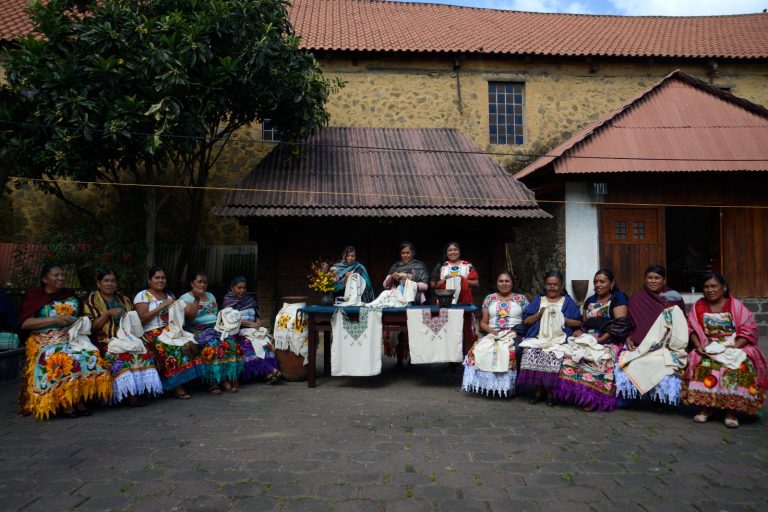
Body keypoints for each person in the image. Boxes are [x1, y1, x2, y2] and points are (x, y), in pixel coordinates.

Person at [18, 263, 111, 419]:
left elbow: (81, 317)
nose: (61, 278)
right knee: (60, 357)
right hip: (44, 339)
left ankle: (79, 399)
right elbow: (25, 323)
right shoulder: (35, 296)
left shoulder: (69, 295)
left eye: (62, 275)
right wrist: (54, 319)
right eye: (56, 275)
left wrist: (78, 321)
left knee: (89, 354)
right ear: (44, 279)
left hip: (71, 336)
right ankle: (66, 403)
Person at [683, 272, 767, 428]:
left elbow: (749, 329)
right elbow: (690, 329)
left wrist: (734, 347)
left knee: (738, 367)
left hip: (734, 344)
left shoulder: (735, 305)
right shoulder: (699, 306)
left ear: (724, 287)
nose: (710, 290)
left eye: (714, 286)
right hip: (708, 345)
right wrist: (698, 346)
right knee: (706, 366)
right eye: (706, 287)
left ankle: (732, 411)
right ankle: (706, 407)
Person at [554, 269, 630, 412]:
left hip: (609, 339)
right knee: (569, 356)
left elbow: (621, 324)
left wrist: (602, 339)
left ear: (612, 283)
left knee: (600, 359)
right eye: (596, 282)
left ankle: (594, 399)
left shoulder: (618, 298)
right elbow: (585, 323)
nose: (598, 285)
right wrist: (580, 331)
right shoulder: (590, 300)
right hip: (588, 338)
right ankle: (576, 396)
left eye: (602, 281)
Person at [84, 269, 162, 405]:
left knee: (146, 351)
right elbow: (91, 327)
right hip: (106, 339)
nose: (110, 284)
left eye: (113, 281)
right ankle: (129, 394)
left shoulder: (123, 299)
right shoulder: (91, 300)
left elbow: (134, 320)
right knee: (121, 358)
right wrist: (107, 314)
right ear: (98, 283)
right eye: (106, 281)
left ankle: (142, 389)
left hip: (128, 336)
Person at [615, 265, 687, 406]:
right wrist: (628, 337)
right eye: (649, 278)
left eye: (657, 278)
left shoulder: (674, 298)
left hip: (666, 345)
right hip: (640, 344)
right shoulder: (637, 298)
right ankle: (633, 396)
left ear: (664, 280)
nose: (653, 281)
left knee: (661, 363)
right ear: (645, 279)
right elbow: (630, 322)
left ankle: (659, 400)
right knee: (629, 361)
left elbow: (681, 324)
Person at [134, 266, 201, 399]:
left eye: (163, 278)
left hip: (171, 329)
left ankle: (187, 380)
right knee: (172, 348)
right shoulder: (143, 295)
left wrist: (196, 300)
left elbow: (187, 317)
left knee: (191, 342)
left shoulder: (169, 295)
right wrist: (162, 306)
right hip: (151, 332)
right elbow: (141, 319)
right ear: (149, 280)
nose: (160, 280)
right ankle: (176, 386)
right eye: (157, 278)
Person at [517, 270, 581, 406]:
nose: (552, 287)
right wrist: (539, 315)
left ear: (561, 285)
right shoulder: (539, 300)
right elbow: (526, 321)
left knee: (553, 354)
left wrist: (560, 317)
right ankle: (539, 390)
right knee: (531, 351)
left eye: (556, 285)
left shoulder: (568, 302)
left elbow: (578, 323)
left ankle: (551, 392)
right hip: (539, 336)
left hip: (560, 338)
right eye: (549, 284)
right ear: (545, 285)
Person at [462, 271, 528, 396]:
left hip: (514, 333)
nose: (504, 284)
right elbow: (483, 322)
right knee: (478, 349)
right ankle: (486, 385)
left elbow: (527, 321)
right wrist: (491, 331)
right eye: (501, 281)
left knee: (514, 350)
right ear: (497, 283)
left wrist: (516, 331)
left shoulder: (521, 299)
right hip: (493, 333)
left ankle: (512, 385)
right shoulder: (489, 298)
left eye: (507, 281)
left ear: (512, 283)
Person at [180, 272, 243, 394]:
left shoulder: (210, 295)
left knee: (229, 343)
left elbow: (215, 313)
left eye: (205, 282)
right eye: (199, 282)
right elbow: (190, 318)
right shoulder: (185, 298)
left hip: (216, 328)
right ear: (192, 283)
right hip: (197, 329)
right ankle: (213, 382)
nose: (202, 284)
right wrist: (196, 299)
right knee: (213, 345)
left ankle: (224, 379)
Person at [221, 275, 281, 384]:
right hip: (237, 332)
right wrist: (250, 324)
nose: (242, 290)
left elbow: (256, 313)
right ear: (232, 288)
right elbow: (229, 320)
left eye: (244, 288)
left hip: (252, 330)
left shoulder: (249, 299)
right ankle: (269, 371)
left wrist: (258, 321)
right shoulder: (228, 301)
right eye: (239, 288)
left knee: (265, 344)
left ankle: (268, 374)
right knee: (249, 346)